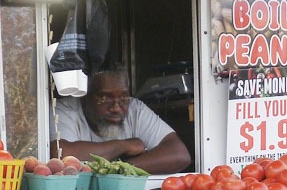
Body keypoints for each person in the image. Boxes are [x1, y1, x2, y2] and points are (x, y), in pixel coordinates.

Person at [50, 64, 192, 174]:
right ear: (84, 97)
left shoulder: (135, 109)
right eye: (105, 98)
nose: (116, 108)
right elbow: (62, 155)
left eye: (124, 97)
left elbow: (179, 155)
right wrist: (124, 145)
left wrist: (119, 169)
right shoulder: (66, 110)